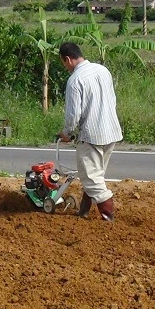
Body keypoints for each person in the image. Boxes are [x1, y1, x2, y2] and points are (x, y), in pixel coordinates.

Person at [56, 42, 123, 222]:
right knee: (95, 175)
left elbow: (73, 115)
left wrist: (67, 134)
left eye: (64, 63)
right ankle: (83, 212)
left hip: (91, 135)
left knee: (92, 179)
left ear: (68, 59)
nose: (65, 67)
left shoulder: (75, 80)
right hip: (111, 131)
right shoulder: (102, 70)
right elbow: (112, 99)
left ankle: (108, 218)